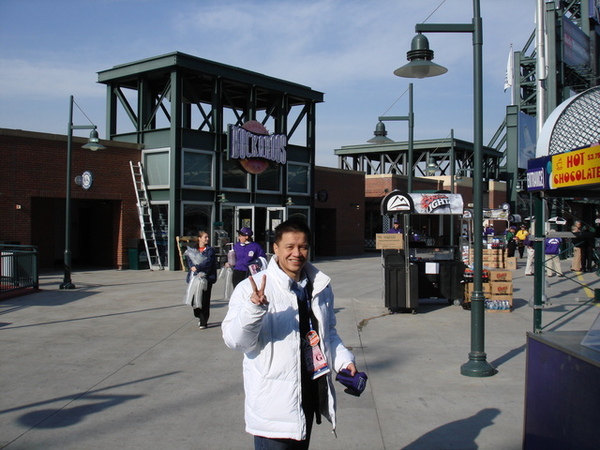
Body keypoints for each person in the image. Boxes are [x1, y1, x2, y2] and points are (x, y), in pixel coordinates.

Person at [222, 219, 359, 449]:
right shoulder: (250, 288)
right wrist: (254, 309)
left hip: (307, 399)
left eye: (303, 247)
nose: (297, 253)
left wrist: (344, 362)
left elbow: (328, 334)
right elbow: (235, 341)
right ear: (275, 249)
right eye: (290, 247)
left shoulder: (320, 286)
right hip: (273, 410)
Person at [185, 230, 217, 329]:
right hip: (194, 277)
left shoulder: (210, 250)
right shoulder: (193, 250)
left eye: (207, 237)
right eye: (205, 237)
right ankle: (198, 314)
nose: (207, 239)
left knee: (204, 300)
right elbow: (190, 260)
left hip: (206, 278)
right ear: (199, 238)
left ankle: (203, 321)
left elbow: (208, 262)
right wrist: (193, 267)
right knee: (193, 299)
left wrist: (198, 267)